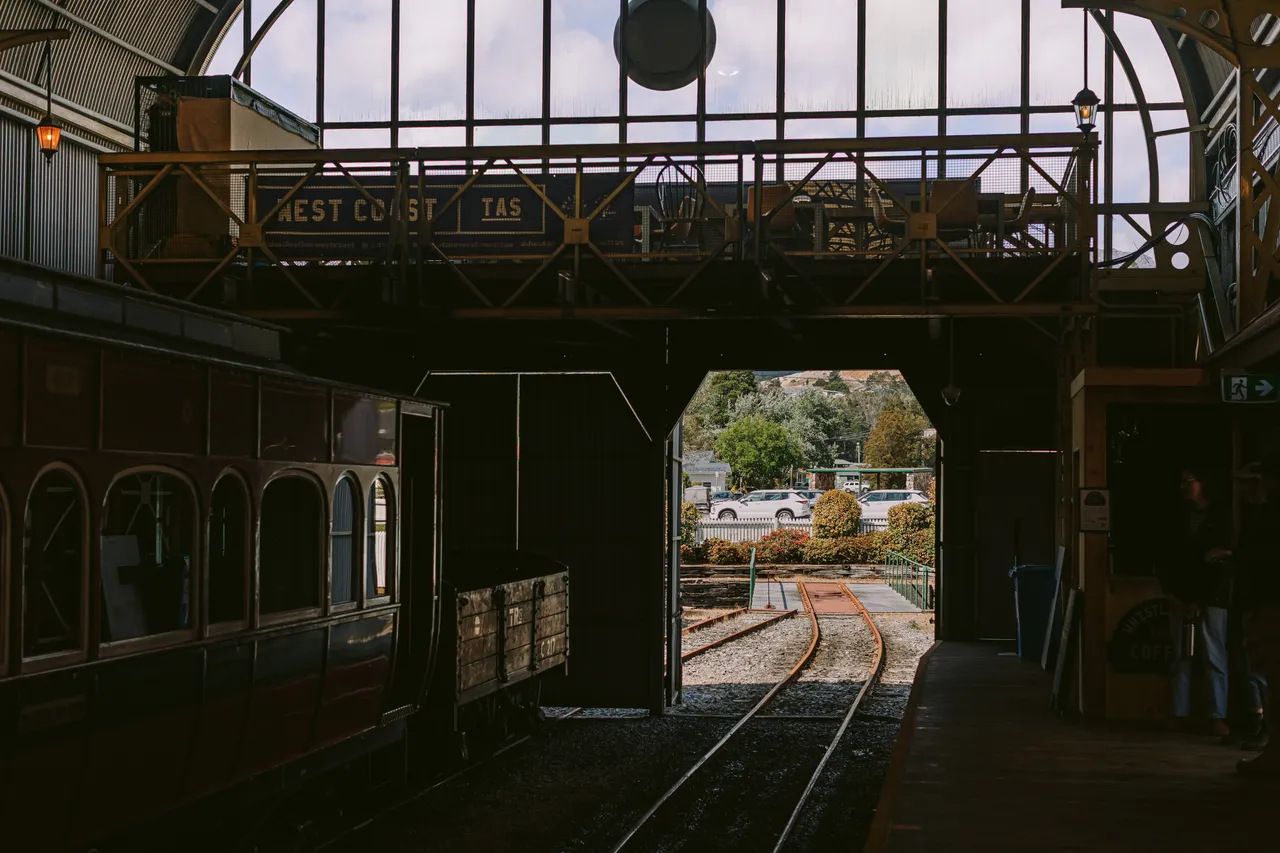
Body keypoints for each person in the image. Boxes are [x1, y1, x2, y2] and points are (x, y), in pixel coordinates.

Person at [1160, 467, 1233, 735]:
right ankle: (1180, 713)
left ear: (1202, 484)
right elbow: (1165, 559)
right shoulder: (1176, 518)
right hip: (1181, 598)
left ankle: (1218, 716)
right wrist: (1173, 595)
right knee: (1181, 657)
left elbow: (1223, 564)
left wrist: (1200, 600)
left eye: (1187, 481)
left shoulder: (1221, 517)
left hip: (1212, 599)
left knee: (1214, 656)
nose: (1182, 487)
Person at [1239, 455, 1280, 774]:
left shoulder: (1267, 517)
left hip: (1269, 605)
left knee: (1273, 678)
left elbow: (1258, 565)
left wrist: (1251, 605)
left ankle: (1274, 753)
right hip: (1266, 602)